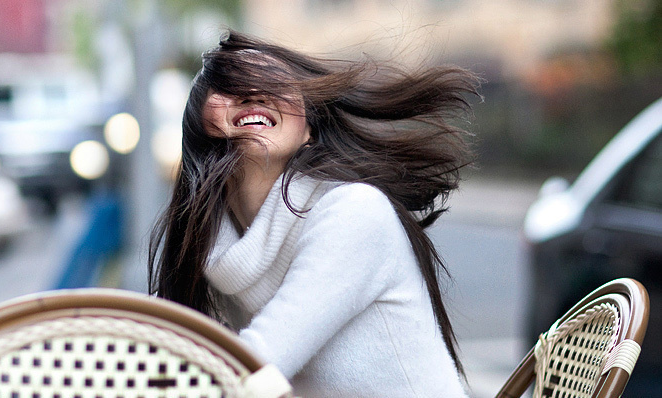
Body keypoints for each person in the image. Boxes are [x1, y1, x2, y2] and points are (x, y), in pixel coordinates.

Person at [148, 30, 480, 397]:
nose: (254, 93)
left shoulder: (354, 212)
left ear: (307, 128)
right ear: (199, 122)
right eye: (230, 85)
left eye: (274, 83)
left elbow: (252, 370)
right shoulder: (208, 248)